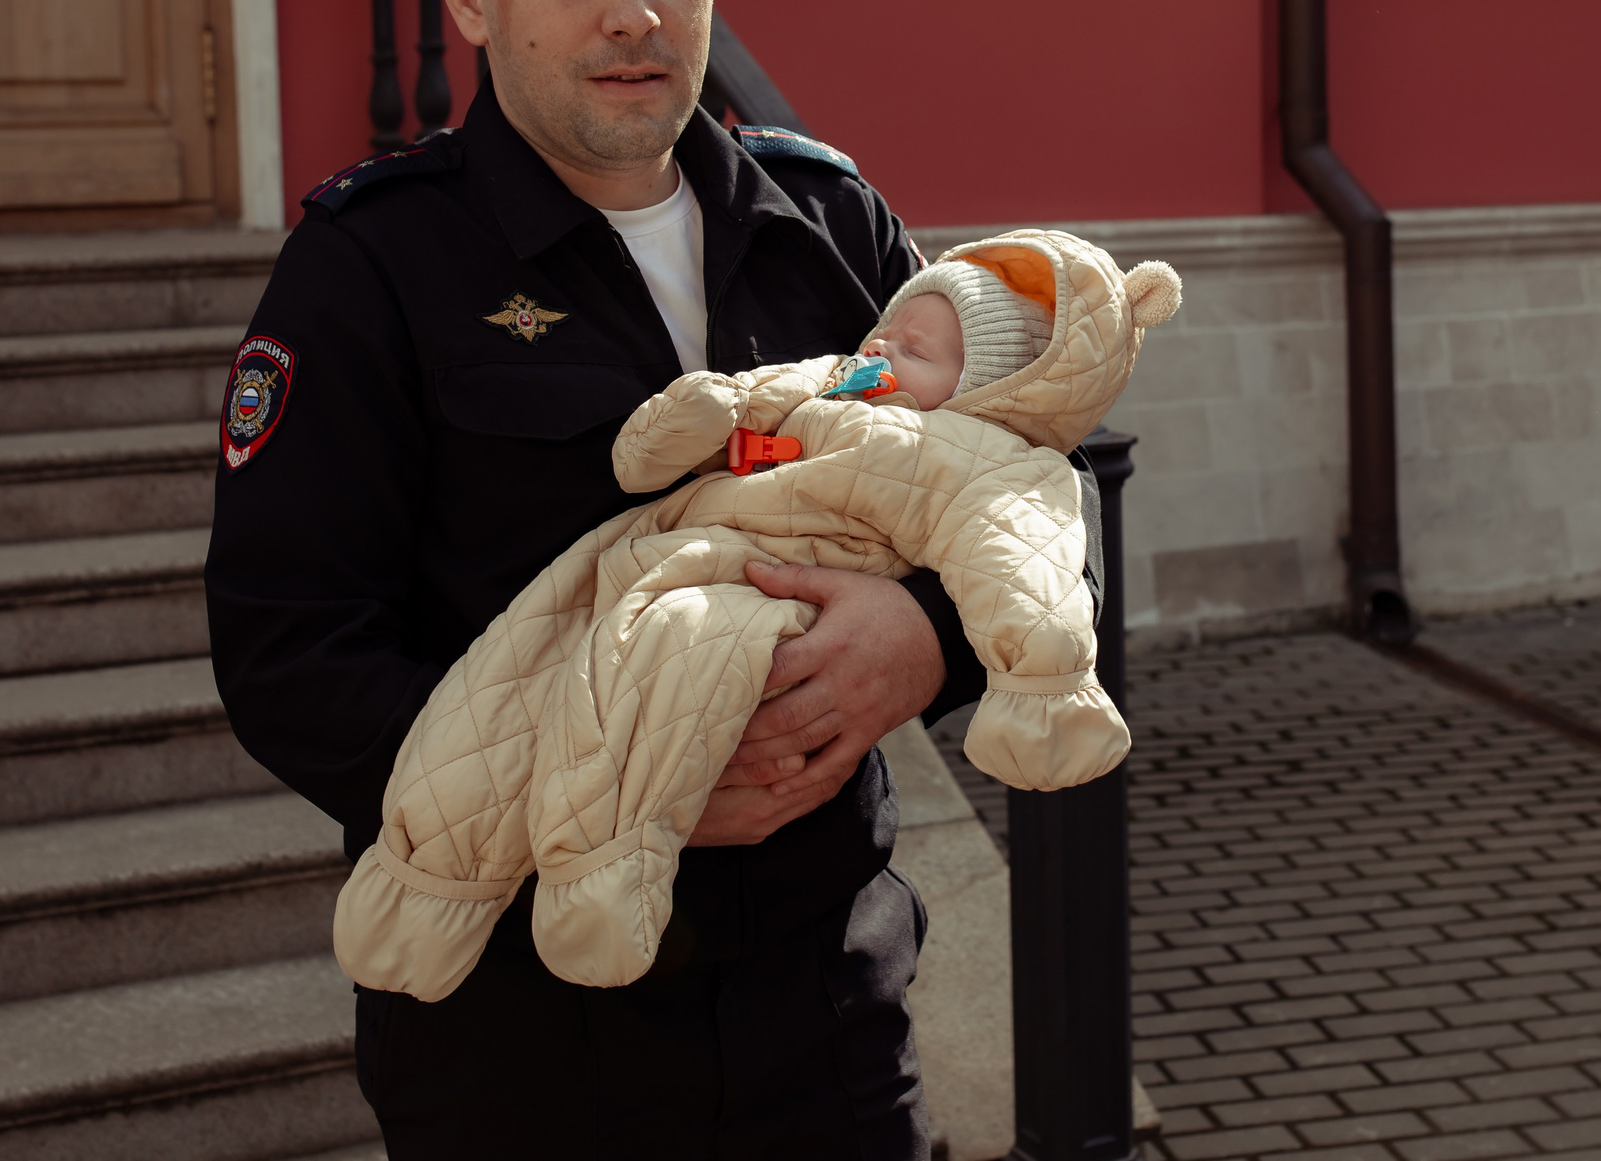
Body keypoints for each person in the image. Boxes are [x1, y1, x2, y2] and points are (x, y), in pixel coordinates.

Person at [205, 0, 1092, 1159]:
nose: (632, 10)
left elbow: (1022, 495)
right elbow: (291, 652)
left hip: (830, 1006)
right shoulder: (372, 268)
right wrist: (617, 764)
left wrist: (929, 633)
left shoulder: (828, 223)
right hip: (530, 1042)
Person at [329, 232, 1180, 995]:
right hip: (647, 556)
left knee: (669, 654)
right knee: (504, 677)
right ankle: (421, 890)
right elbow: (747, 400)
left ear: (989, 392)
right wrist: (705, 414)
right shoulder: (834, 387)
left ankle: (602, 873)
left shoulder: (975, 448)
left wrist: (1034, 679)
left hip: (763, 603)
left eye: (916, 350)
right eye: (885, 332)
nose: (882, 346)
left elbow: (1025, 560)